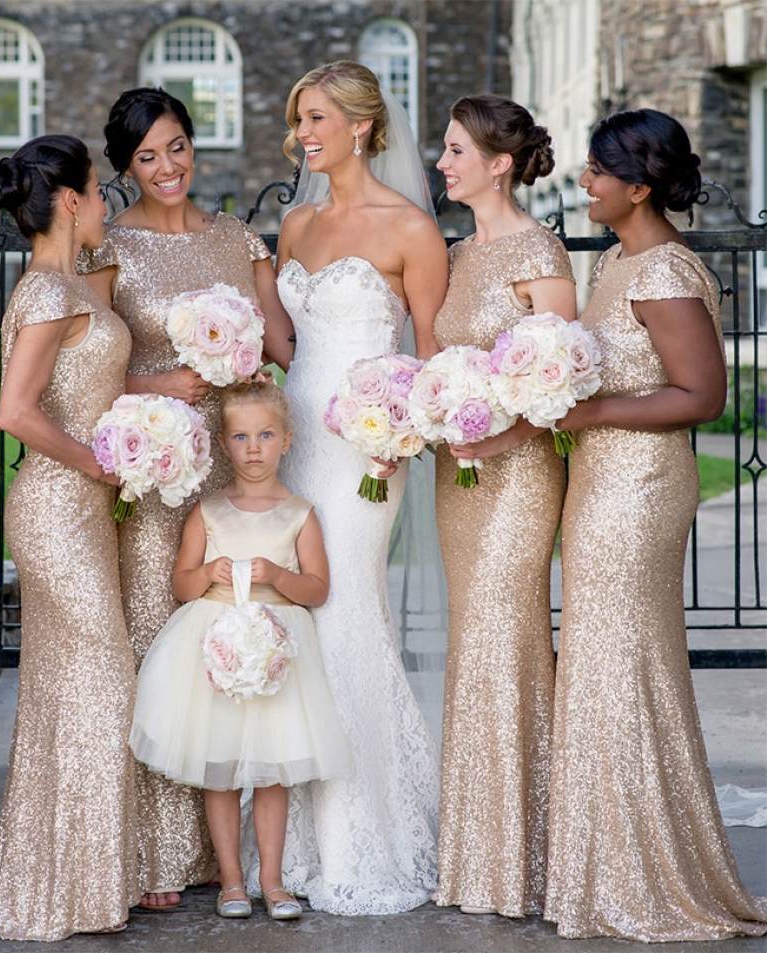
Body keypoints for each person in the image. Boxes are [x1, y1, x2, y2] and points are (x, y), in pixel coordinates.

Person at [545, 108, 767, 941]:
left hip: (637, 489)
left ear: (637, 187)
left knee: (621, 660)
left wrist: (591, 408)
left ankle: (644, 872)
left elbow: (700, 396)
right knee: (606, 661)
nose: (586, 182)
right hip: (601, 478)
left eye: (598, 172)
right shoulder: (613, 259)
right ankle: (605, 859)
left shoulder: (665, 273)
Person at [78, 86, 294, 910]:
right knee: (154, 639)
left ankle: (223, 854)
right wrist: (162, 383)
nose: (167, 168)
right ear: (125, 168)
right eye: (147, 157)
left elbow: (282, 346)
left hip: (230, 469)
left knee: (230, 636)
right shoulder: (108, 249)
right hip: (154, 467)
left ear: (193, 146)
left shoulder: (239, 239)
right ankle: (152, 847)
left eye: (177, 148)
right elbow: (89, 371)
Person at [269, 60, 448, 915]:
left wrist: (397, 433)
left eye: (316, 118)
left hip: (363, 453)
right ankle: (290, 839)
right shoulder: (295, 224)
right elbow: (283, 342)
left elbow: (433, 357)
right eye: (299, 119)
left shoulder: (410, 228)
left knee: (346, 613)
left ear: (363, 126)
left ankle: (360, 833)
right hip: (290, 444)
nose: (303, 133)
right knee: (291, 621)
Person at [0, 136, 139, 939]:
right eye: (99, 191)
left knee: (70, 689)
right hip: (56, 507)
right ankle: (63, 883)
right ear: (69, 201)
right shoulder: (46, 292)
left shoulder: (68, 284)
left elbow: (87, 384)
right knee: (102, 680)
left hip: (81, 508)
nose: (108, 203)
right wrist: (100, 465)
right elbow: (15, 412)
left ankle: (68, 880)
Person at [430, 94, 577, 919]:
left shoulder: (538, 250)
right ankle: (479, 850)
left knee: (504, 634)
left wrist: (494, 438)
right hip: (460, 477)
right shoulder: (454, 254)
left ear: (496, 163)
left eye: (455, 150)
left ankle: (531, 851)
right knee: (472, 640)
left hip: (515, 476)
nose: (443, 162)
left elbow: (557, 380)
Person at [129, 380, 351, 921]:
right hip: (213, 650)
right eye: (242, 436)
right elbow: (181, 585)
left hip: (278, 653)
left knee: (273, 770)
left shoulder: (300, 513)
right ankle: (231, 880)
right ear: (225, 444)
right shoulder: (208, 511)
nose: (254, 447)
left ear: (287, 441)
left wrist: (279, 576)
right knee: (221, 767)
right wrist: (205, 572)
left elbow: (318, 589)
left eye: (266, 434)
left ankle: (271, 881)